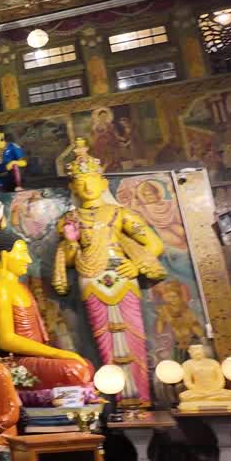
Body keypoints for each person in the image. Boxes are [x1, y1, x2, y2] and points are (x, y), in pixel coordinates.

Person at [53, 140, 166, 406]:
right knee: (104, 338)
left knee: (133, 334)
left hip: (122, 276)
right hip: (91, 279)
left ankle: (142, 397)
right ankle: (118, 398)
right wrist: (70, 241)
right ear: (73, 187)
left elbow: (154, 243)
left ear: (103, 183)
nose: (87, 186)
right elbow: (69, 260)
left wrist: (137, 265)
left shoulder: (119, 213)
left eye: (91, 180)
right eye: (80, 183)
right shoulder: (70, 219)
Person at [0, 228, 93, 389]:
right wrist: (58, 353)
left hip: (36, 357)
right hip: (19, 361)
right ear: (5, 255)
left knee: (85, 365)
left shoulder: (20, 286)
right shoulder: (0, 286)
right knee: (75, 369)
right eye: (22, 253)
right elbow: (5, 339)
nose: (27, 259)